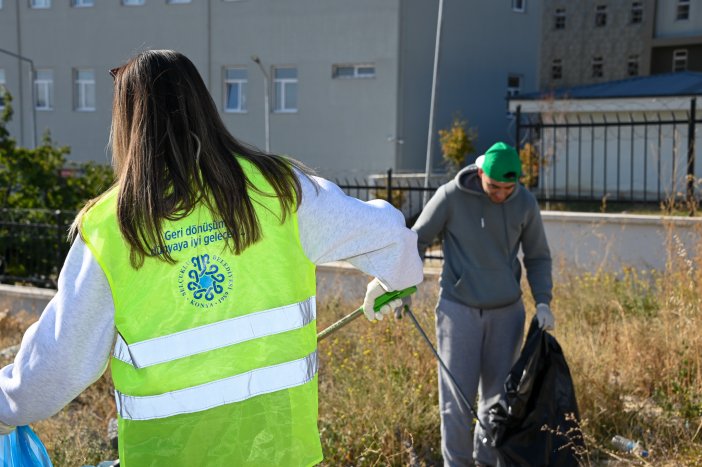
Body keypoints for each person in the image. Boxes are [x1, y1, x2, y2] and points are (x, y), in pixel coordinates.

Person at [0, 50, 423, 466]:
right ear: (202, 106)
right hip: (278, 453)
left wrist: (6, 407)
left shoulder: (113, 228)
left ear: (127, 126)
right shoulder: (279, 193)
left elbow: (61, 359)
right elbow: (390, 237)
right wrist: (392, 283)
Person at [412, 141, 553, 467]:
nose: (501, 194)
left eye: (508, 187)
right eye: (494, 186)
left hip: (507, 314)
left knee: (498, 400)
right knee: (457, 401)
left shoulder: (525, 203)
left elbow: (538, 256)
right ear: (479, 174)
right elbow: (416, 239)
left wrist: (543, 301)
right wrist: (400, 285)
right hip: (458, 312)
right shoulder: (451, 196)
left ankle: (488, 462)